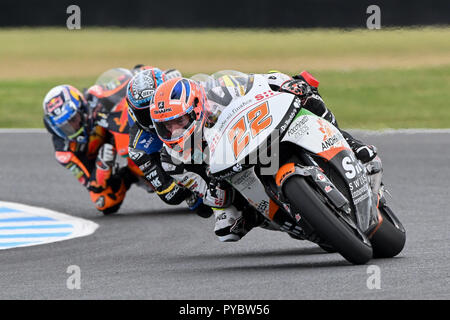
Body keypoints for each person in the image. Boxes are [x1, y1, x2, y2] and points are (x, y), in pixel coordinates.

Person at [150, 71, 379, 241]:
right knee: (228, 226)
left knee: (306, 91)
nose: (174, 130)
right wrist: (213, 187)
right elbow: (209, 198)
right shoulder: (172, 159)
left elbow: (256, 82)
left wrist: (286, 84)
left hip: (255, 131)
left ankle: (352, 145)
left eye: (179, 121)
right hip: (231, 174)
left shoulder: (217, 94)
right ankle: (270, 217)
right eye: (166, 126)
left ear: (196, 109)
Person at [43, 68, 139, 215]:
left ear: (82, 108)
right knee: (103, 201)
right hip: (98, 159)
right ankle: (130, 175)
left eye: (73, 120)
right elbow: (91, 184)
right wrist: (102, 167)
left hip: (124, 137)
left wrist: (153, 73)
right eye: (64, 128)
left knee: (130, 149)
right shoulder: (64, 152)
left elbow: (129, 78)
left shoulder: (96, 98)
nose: (72, 128)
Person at [126, 67, 213, 217]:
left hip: (202, 144)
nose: (155, 117)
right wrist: (187, 180)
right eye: (145, 114)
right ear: (133, 113)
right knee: (201, 207)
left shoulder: (188, 92)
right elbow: (168, 194)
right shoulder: (138, 147)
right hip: (183, 169)